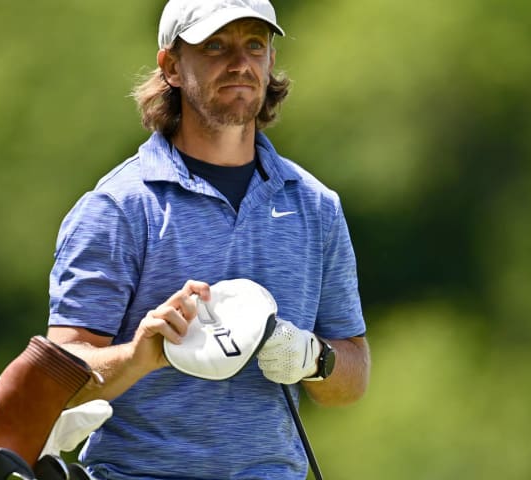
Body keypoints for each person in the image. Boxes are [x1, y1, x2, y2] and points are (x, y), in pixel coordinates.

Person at [45, 0, 370, 478]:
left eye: (254, 45)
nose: (240, 63)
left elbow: (353, 375)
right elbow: (53, 379)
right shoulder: (117, 208)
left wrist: (313, 359)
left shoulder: (315, 206)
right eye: (215, 46)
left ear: (270, 61)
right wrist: (139, 357)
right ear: (172, 66)